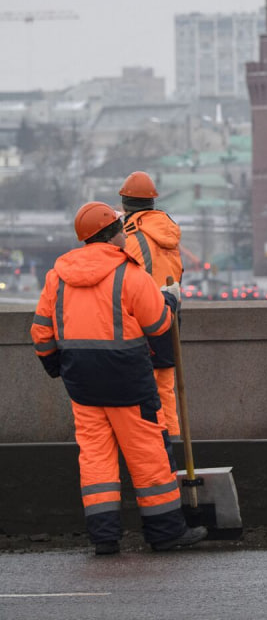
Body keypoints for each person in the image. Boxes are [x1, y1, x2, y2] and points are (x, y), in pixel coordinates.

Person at [30, 202, 206, 555]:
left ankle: (104, 539)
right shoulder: (130, 274)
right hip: (128, 381)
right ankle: (165, 533)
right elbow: (157, 325)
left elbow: (41, 333)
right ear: (113, 236)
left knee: (95, 459)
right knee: (148, 455)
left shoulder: (57, 276)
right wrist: (168, 301)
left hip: (82, 383)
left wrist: (56, 367)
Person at [118, 170, 185, 468]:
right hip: (170, 316)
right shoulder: (168, 232)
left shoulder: (131, 238)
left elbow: (124, 281)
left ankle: (153, 454)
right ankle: (174, 448)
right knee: (166, 388)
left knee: (140, 392)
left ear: (124, 203)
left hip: (142, 321)